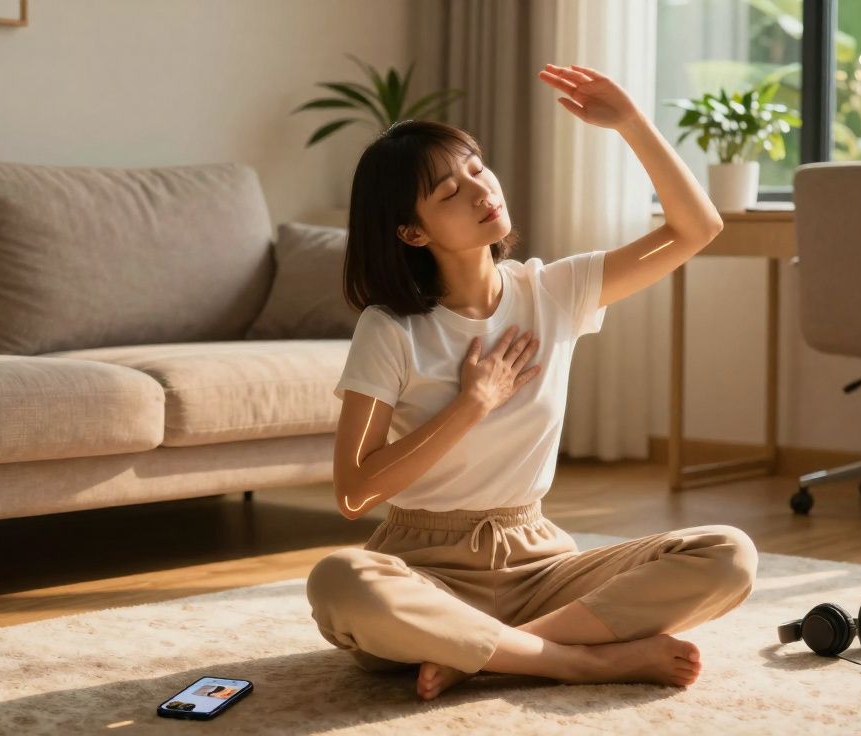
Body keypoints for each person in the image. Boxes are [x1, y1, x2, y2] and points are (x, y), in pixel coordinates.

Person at [307, 62, 754, 701]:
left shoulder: (553, 291)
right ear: (413, 232)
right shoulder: (391, 329)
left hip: (540, 564)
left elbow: (696, 229)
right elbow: (354, 492)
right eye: (447, 192)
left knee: (728, 554)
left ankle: (489, 654)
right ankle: (576, 661)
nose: (479, 189)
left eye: (476, 168)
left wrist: (629, 122)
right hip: (425, 571)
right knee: (340, 580)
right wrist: (472, 403)